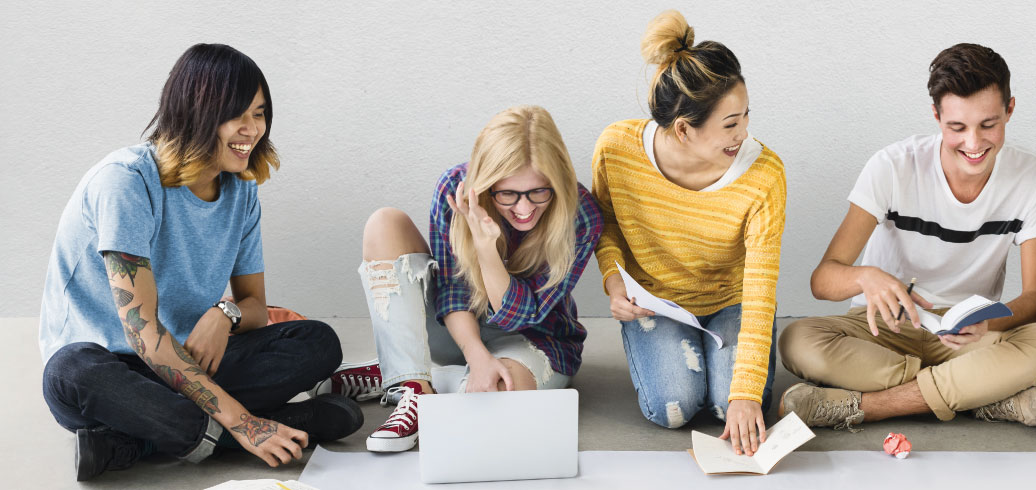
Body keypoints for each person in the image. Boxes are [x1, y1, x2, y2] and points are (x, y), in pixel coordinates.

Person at [39, 44, 362, 481]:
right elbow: (143, 334)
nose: (253, 130)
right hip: (112, 371)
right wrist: (245, 424)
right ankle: (277, 427)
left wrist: (223, 314)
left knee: (318, 342)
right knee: (69, 372)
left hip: (187, 362)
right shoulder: (126, 183)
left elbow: (252, 304)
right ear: (196, 113)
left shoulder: (241, 190)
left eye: (260, 113)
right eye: (237, 115)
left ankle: (143, 438)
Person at [777, 43, 1036, 430]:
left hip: (969, 337)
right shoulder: (892, 167)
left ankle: (865, 406)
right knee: (797, 339)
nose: (974, 144)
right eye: (957, 127)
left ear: (1009, 109)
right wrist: (867, 277)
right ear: (936, 116)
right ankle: (982, 398)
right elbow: (823, 280)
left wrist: (990, 325)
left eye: (988, 124)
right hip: (884, 328)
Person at [314, 105, 601, 452]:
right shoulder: (455, 188)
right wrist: (476, 354)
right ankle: (415, 387)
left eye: (539, 191)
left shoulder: (580, 213)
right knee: (384, 223)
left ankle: (406, 373)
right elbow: (453, 291)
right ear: (486, 182)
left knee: (492, 407)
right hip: (455, 328)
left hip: (534, 338)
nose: (524, 209)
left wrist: (485, 248)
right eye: (508, 194)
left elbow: (525, 314)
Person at [591, 10, 786, 456]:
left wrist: (743, 396)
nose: (744, 132)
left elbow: (760, 286)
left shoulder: (765, 174)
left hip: (731, 298)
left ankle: (724, 375)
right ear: (684, 129)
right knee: (672, 408)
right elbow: (607, 222)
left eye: (746, 116)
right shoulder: (616, 149)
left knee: (727, 407)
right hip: (656, 300)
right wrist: (613, 279)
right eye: (730, 124)